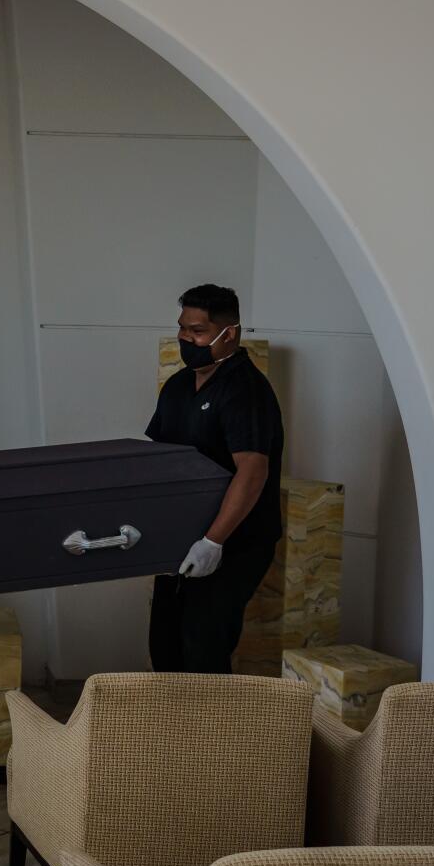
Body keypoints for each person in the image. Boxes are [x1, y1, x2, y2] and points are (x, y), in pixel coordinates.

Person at [145, 283, 285, 674]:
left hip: (232, 542)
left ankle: (215, 733)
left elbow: (253, 471)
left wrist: (213, 542)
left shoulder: (245, 390)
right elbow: (158, 458)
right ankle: (176, 731)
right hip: (179, 540)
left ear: (230, 334)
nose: (186, 339)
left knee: (203, 647)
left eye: (198, 331)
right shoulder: (176, 387)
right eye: (183, 329)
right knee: (165, 645)